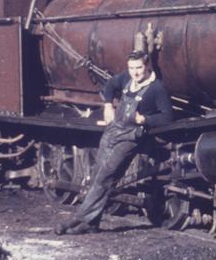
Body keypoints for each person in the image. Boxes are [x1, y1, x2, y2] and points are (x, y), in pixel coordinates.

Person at [55, 51, 173, 235]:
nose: (135, 72)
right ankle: (92, 224)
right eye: (132, 68)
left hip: (130, 137)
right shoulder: (126, 78)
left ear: (147, 66)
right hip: (112, 132)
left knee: (106, 176)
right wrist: (108, 104)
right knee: (96, 176)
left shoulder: (157, 88)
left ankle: (78, 218)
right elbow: (110, 85)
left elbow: (167, 117)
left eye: (139, 68)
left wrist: (145, 120)